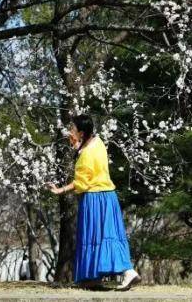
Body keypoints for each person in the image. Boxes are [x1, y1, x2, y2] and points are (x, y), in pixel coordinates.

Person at [48, 114, 141, 290]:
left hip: (94, 199)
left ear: (81, 133)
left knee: (96, 237)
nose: (70, 131)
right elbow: (92, 163)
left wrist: (60, 190)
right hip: (109, 197)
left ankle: (127, 272)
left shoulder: (86, 154)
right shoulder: (98, 143)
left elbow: (81, 183)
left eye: (73, 129)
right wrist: (77, 146)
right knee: (108, 236)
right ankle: (95, 278)